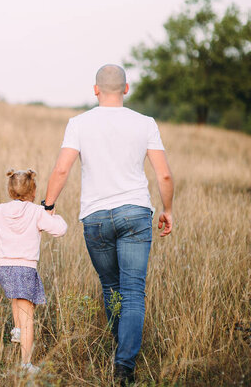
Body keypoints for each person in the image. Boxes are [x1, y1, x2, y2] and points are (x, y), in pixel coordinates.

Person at [42, 64, 174, 385]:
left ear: (96, 89)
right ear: (126, 89)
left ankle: (120, 347)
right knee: (133, 291)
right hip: (135, 214)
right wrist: (168, 209)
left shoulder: (79, 123)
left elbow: (61, 170)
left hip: (96, 217)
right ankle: (124, 365)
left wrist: (47, 207)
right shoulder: (145, 123)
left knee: (112, 287)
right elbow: (164, 174)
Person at [0, 169, 67, 373]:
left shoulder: (0, 210)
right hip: (25, 267)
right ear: (33, 191)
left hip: (3, 267)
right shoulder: (37, 212)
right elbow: (60, 230)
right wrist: (54, 216)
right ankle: (25, 363)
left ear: (10, 191)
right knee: (28, 314)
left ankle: (17, 330)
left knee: (16, 297)